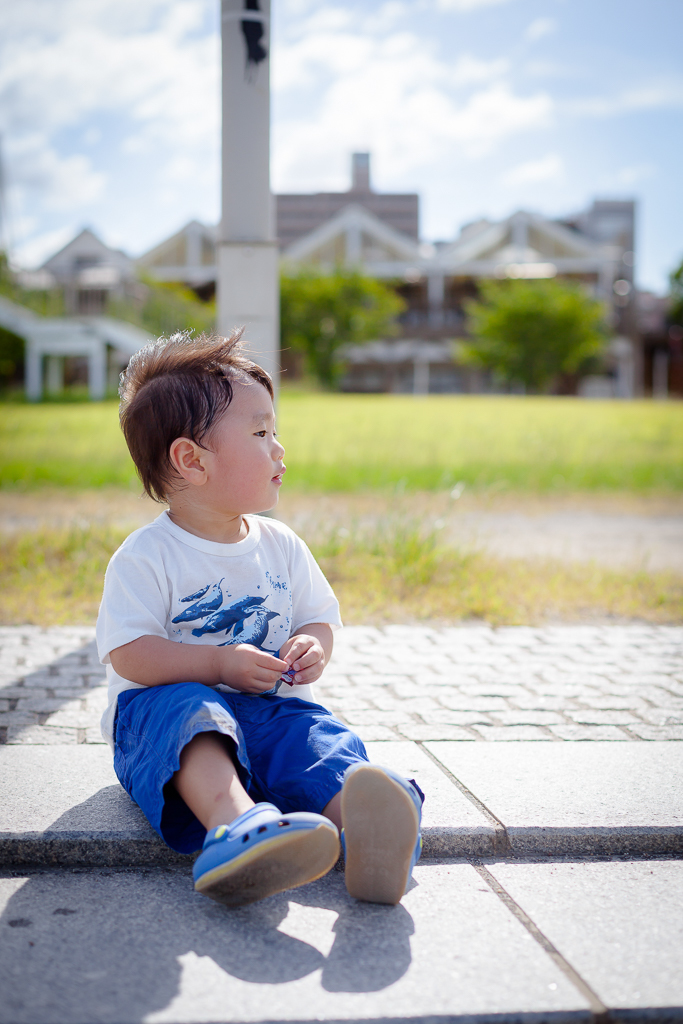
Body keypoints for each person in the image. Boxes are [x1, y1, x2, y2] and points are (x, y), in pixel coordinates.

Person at [97, 331, 423, 909]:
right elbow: (131, 656)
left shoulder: (281, 545)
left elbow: (318, 618)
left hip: (264, 708)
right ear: (191, 460)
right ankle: (237, 827)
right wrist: (217, 662)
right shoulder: (147, 556)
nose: (279, 450)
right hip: (162, 717)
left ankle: (367, 825)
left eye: (275, 431)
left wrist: (310, 646)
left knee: (308, 732)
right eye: (260, 433)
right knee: (196, 716)